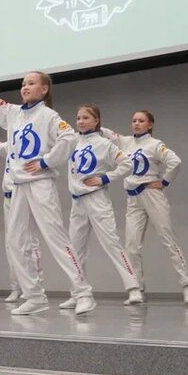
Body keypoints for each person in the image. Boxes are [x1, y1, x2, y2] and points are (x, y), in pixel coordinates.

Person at [0, 71, 94, 316]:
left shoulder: (48, 115)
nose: (25, 87)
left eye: (31, 83)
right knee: (14, 241)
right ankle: (34, 296)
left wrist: (46, 161)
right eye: (23, 84)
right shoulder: (13, 113)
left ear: (44, 89)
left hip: (41, 184)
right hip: (18, 186)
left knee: (55, 238)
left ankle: (83, 292)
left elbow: (69, 138)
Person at [61, 106, 141, 308]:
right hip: (77, 201)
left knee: (111, 243)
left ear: (96, 120)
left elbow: (127, 163)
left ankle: (134, 289)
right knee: (75, 249)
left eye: (86, 117)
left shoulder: (105, 144)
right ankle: (77, 293)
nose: (80, 121)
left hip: (97, 198)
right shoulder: (72, 141)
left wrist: (105, 177)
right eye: (78, 117)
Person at [116, 110, 188, 304]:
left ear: (150, 124)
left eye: (141, 121)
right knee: (132, 245)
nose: (136, 124)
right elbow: (105, 132)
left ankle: (187, 285)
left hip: (151, 194)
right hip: (133, 198)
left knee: (168, 238)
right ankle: (137, 289)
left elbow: (175, 161)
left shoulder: (155, 144)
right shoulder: (125, 142)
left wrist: (164, 182)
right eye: (134, 120)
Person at [0, 140, 42, 302]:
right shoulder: (13, 141)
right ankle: (16, 287)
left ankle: (36, 286)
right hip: (8, 198)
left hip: (25, 196)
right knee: (11, 243)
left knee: (30, 242)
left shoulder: (33, 143)